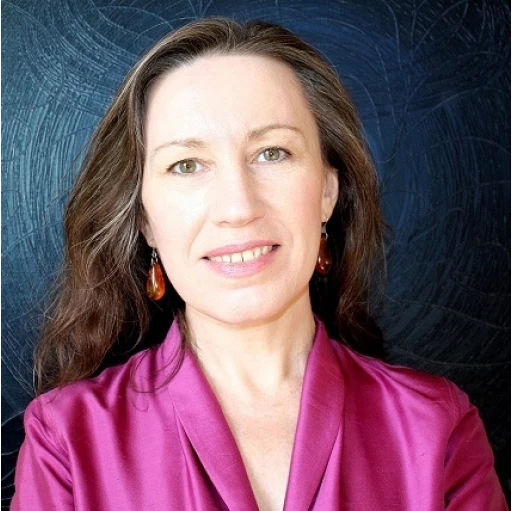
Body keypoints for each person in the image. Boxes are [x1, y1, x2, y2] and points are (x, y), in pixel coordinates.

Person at [11, 17, 507, 511]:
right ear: (145, 221)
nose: (238, 207)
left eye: (272, 153)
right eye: (186, 165)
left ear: (328, 192)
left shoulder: (438, 427)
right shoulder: (66, 442)